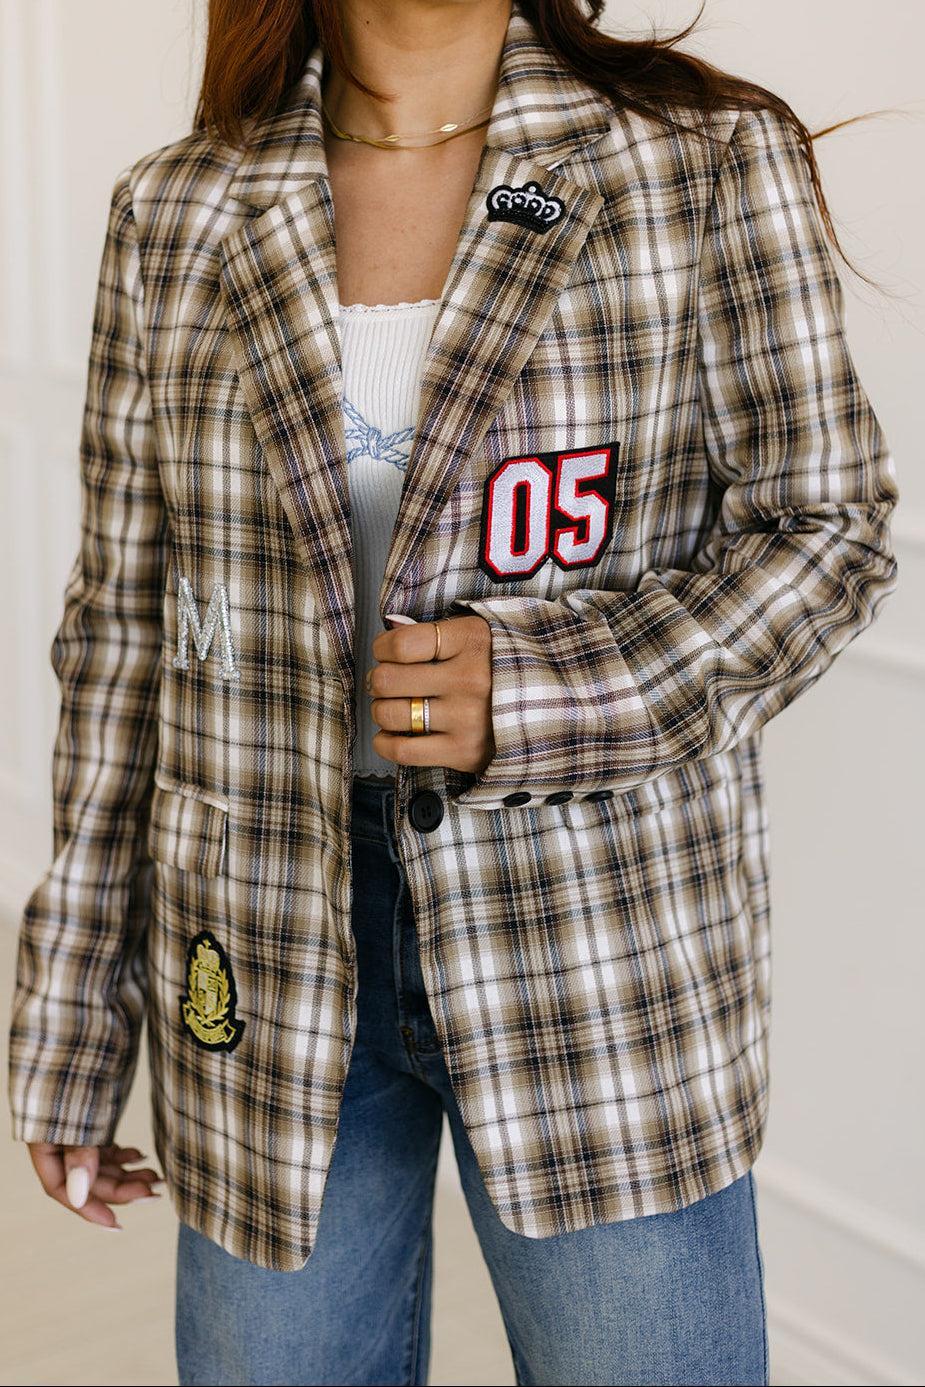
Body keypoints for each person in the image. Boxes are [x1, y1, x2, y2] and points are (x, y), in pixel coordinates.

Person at [8, 1, 899, 1383]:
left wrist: (539, 690)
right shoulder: (177, 207)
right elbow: (123, 625)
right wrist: (73, 1021)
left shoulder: (702, 158)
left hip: (601, 952)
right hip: (259, 935)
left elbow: (828, 530)